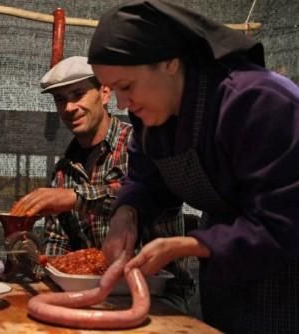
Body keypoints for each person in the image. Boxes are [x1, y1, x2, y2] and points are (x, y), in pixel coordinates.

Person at [88, 0, 299, 333]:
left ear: (170, 62)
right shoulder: (151, 117)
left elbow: (285, 221)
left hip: (286, 272)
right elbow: (146, 180)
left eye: (126, 87)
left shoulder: (259, 102)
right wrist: (126, 212)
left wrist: (189, 245)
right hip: (227, 272)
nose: (121, 104)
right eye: (113, 90)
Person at [10, 56, 195, 314]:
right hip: (93, 293)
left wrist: (75, 198)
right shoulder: (64, 171)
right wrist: (35, 258)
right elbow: (58, 243)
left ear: (105, 93)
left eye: (78, 94)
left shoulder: (140, 143)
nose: (69, 107)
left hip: (159, 293)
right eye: (60, 100)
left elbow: (154, 195)